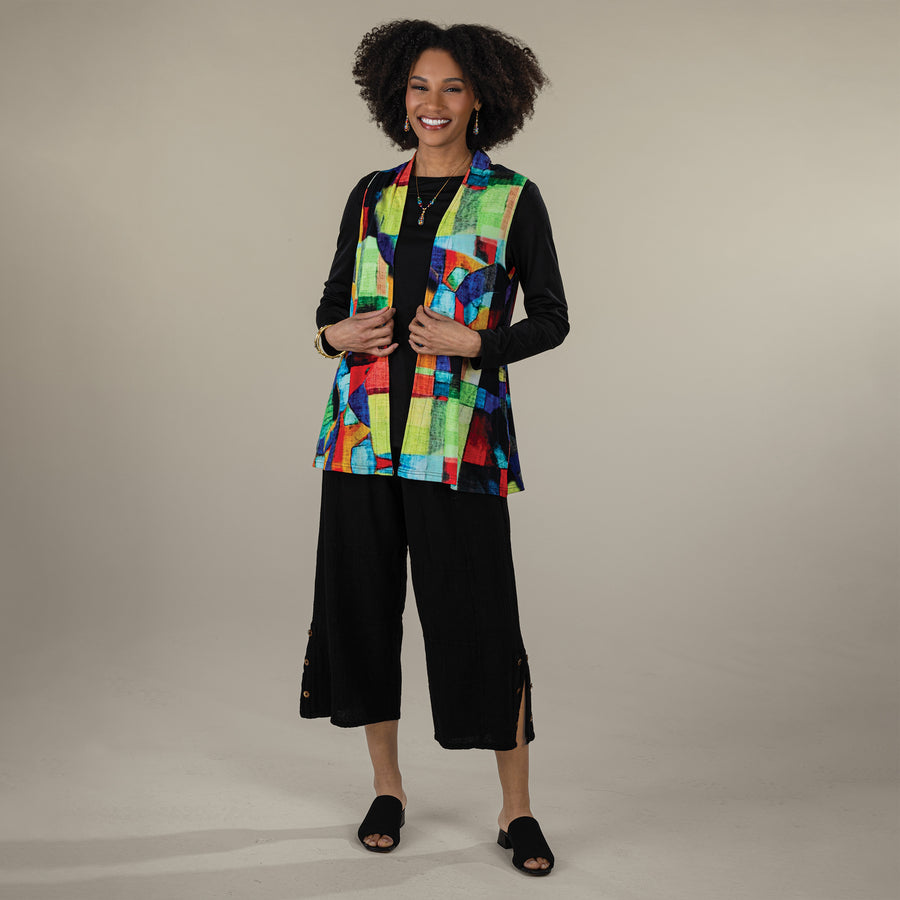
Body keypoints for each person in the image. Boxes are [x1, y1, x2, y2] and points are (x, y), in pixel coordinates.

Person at [299, 19, 568, 876]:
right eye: (420, 86)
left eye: (452, 87)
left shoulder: (513, 197)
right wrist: (331, 336)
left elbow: (553, 318)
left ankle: (517, 810)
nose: (434, 103)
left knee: (482, 618)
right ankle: (388, 788)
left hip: (459, 444)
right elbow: (331, 305)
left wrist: (477, 343)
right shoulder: (371, 192)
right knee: (363, 613)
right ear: (398, 96)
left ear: (481, 97)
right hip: (361, 438)